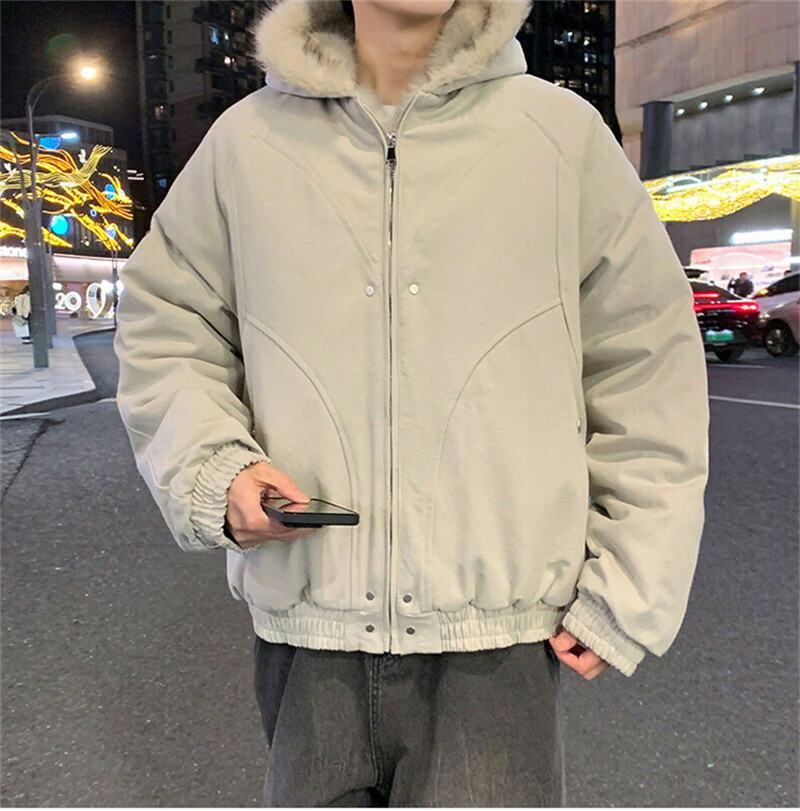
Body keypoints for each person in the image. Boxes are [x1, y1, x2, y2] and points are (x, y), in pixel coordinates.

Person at [114, 0, 710, 805]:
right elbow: (164, 325)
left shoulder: (560, 138)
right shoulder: (247, 145)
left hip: (496, 644)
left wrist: (629, 584)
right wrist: (213, 470)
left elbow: (647, 365)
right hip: (308, 632)